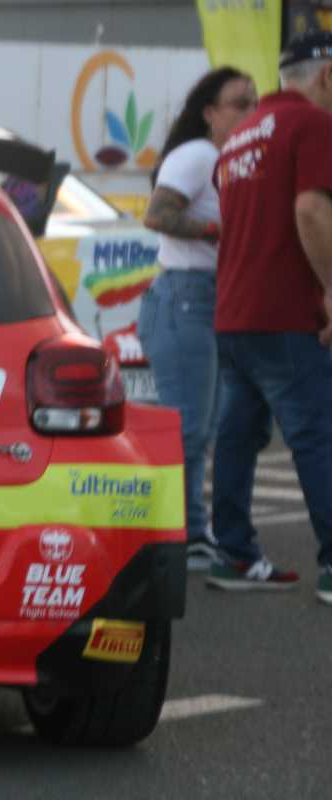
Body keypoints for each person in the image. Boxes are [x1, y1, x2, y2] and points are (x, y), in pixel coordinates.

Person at [206, 30, 332, 600]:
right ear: (326, 76)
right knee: (316, 434)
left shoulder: (240, 137)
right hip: (285, 314)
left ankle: (233, 553)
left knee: (238, 435)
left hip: (235, 315)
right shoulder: (312, 125)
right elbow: (310, 210)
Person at [136, 66, 257, 572]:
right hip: (186, 298)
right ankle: (179, 536)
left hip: (204, 299)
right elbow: (157, 215)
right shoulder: (200, 155)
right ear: (210, 112)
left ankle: (190, 532)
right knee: (187, 429)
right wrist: (219, 230)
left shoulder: (227, 159)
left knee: (199, 429)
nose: (251, 113)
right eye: (240, 104)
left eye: (255, 103)